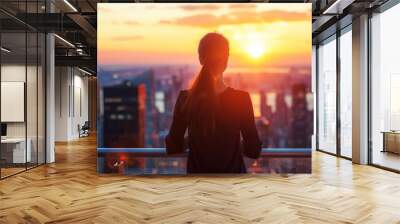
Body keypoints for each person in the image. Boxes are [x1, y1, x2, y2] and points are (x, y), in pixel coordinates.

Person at [165, 32, 262, 173]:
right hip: (232, 187)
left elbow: (173, 146)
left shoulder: (185, 99)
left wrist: (194, 141)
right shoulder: (241, 99)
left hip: (198, 186)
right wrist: (230, 144)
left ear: (200, 59)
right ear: (226, 61)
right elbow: (254, 150)